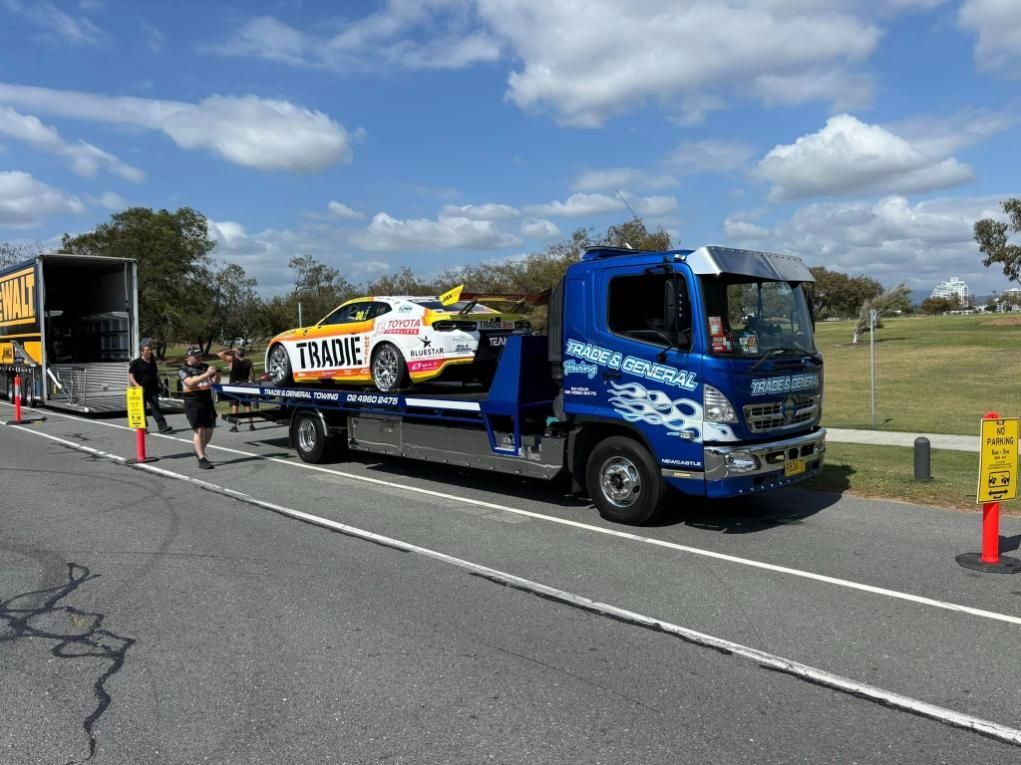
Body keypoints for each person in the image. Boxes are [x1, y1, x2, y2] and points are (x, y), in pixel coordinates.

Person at [179, 345, 220, 469]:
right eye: (196, 357)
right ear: (188, 358)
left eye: (200, 356)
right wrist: (206, 374)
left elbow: (214, 383)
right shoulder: (183, 370)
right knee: (199, 429)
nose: (199, 358)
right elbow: (190, 383)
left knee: (209, 429)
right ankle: (202, 458)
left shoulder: (205, 367)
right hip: (193, 401)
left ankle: (200, 450)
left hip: (206, 399)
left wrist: (216, 374)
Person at [128, 340, 172, 433]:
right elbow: (131, 376)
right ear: (142, 352)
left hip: (153, 389)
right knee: (142, 409)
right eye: (147, 350)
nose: (150, 352)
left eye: (150, 350)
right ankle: (143, 427)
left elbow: (156, 373)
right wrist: (137, 385)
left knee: (156, 407)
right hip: (141, 390)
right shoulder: (136, 363)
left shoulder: (152, 361)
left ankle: (163, 427)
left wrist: (160, 383)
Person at [217, 346, 255, 432]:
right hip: (245, 385)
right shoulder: (249, 361)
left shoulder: (232, 360)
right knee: (247, 405)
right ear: (244, 354)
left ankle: (235, 426)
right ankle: (251, 425)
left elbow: (220, 354)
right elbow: (252, 374)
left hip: (234, 386)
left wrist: (231, 350)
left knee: (235, 405)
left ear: (236, 354)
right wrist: (252, 383)